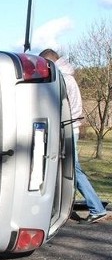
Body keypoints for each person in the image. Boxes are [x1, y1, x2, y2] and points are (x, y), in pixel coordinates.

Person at [39, 48, 109, 224]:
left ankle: (96, 208)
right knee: (68, 168)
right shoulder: (67, 77)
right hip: (71, 128)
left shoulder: (62, 79)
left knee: (71, 169)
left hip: (67, 129)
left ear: (50, 62)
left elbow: (59, 107)